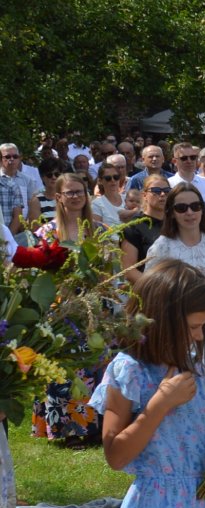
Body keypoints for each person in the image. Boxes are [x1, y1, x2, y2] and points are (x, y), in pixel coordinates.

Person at [89, 260, 205, 508]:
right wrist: (159, 404)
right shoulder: (129, 371)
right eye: (193, 327)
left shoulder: (192, 366)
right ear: (160, 322)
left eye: (203, 326)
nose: (199, 336)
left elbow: (196, 433)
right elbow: (116, 455)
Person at [145, 184, 205, 465]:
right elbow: (151, 292)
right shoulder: (163, 246)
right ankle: (187, 460)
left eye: (195, 206)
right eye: (181, 207)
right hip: (178, 329)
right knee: (187, 387)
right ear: (171, 213)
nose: (190, 213)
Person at [31, 173, 105, 446]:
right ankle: (69, 428)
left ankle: (96, 426)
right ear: (58, 197)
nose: (75, 196)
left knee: (95, 363)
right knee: (65, 366)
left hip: (93, 306)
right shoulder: (48, 233)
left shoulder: (98, 229)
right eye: (69, 192)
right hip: (60, 306)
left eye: (79, 191)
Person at [121, 175, 169, 284]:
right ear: (144, 195)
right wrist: (157, 287)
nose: (162, 194)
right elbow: (129, 270)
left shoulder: (176, 221)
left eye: (166, 191)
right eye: (156, 191)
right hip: (149, 290)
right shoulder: (134, 226)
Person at [91, 163, 126, 227]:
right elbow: (98, 232)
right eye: (108, 178)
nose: (113, 180)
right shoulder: (96, 204)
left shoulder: (128, 199)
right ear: (100, 181)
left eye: (116, 177)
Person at [35, 158, 62, 224]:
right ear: (42, 177)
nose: (54, 177)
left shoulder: (68, 196)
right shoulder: (36, 201)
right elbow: (35, 229)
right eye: (49, 175)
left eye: (57, 174)